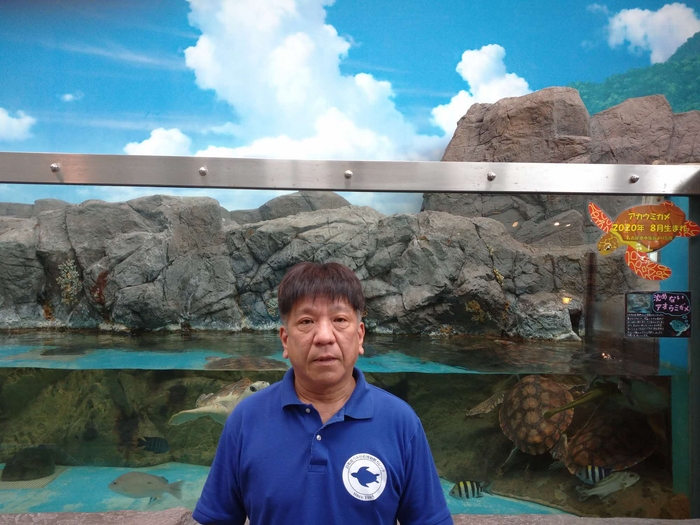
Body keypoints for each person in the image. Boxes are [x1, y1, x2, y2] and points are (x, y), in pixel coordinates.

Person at [192, 261, 453, 525]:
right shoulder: (245, 420)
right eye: (306, 321)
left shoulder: (401, 423)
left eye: (340, 320)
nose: (324, 336)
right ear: (285, 340)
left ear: (360, 336)